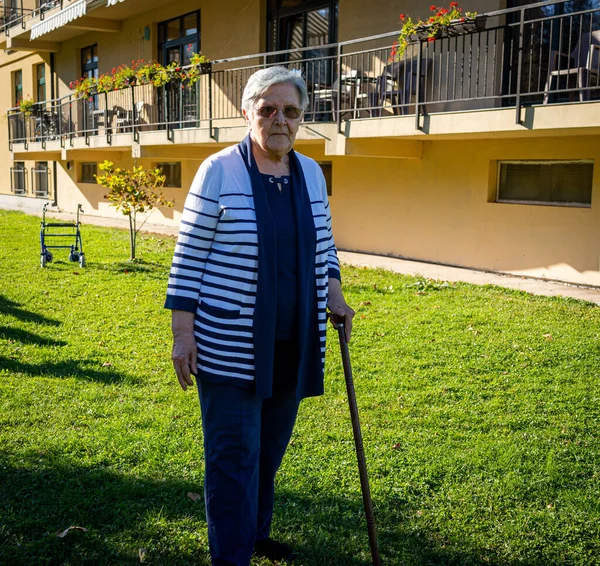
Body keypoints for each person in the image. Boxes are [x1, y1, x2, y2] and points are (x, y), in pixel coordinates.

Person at [165, 66, 354, 566]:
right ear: (247, 112)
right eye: (267, 109)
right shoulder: (219, 170)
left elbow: (326, 247)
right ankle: (231, 556)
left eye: (290, 111)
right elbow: (188, 257)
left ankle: (255, 534)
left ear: (302, 118)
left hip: (293, 343)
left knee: (268, 453)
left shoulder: (311, 173)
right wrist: (183, 335)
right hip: (230, 345)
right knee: (233, 459)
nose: (279, 120)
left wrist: (334, 294)